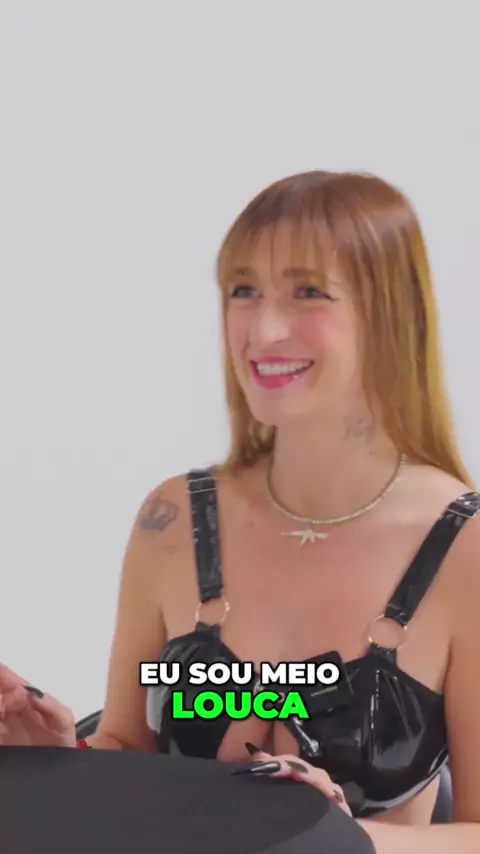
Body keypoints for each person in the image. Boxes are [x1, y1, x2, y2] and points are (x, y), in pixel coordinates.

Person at [1, 170, 480, 852]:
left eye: (308, 292)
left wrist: (339, 840)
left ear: (390, 314)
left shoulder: (463, 546)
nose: (265, 328)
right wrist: (59, 763)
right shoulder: (173, 519)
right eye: (244, 291)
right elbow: (127, 750)